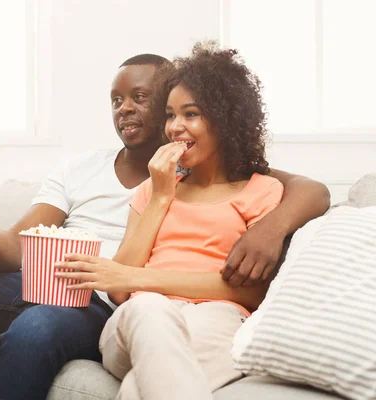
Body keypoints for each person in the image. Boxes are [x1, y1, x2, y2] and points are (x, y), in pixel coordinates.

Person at [0, 52, 329, 400]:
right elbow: (23, 247)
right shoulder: (93, 173)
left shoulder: (241, 181)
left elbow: (298, 190)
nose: (127, 109)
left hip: (93, 302)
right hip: (57, 286)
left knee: (43, 327)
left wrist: (271, 228)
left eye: (144, 98)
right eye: (116, 99)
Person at [55, 42, 296, 399]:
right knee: (150, 308)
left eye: (191, 114)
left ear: (226, 121)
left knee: (144, 383)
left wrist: (139, 278)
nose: (175, 128)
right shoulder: (151, 190)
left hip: (217, 317)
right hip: (135, 320)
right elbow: (120, 289)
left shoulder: (263, 192)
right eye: (170, 115)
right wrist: (162, 195)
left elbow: (251, 291)